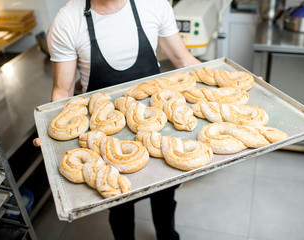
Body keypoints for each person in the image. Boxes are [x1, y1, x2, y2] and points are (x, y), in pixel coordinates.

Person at [34, 0, 201, 239]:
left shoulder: (153, 4)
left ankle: (167, 235)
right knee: (117, 199)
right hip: (105, 134)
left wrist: (235, 82)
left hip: (156, 121)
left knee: (165, 192)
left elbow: (184, 60)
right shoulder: (68, 19)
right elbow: (63, 92)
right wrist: (51, 134)